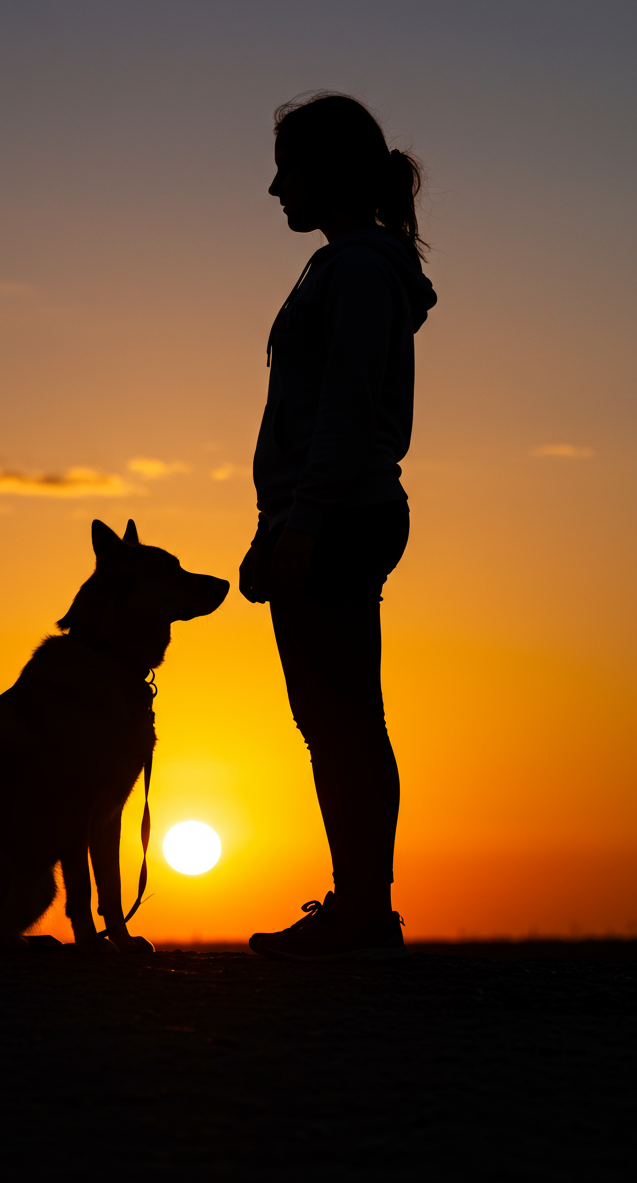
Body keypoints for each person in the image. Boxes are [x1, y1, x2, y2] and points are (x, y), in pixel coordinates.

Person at [240, 93, 437, 960]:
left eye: (288, 168)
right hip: (321, 515)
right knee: (329, 720)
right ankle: (358, 907)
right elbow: (309, 412)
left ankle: (364, 914)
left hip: (342, 518)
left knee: (347, 718)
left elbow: (348, 412)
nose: (275, 186)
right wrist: (273, 523)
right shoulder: (343, 268)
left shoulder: (357, 271)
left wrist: (303, 524)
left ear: (327, 173)